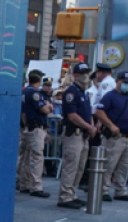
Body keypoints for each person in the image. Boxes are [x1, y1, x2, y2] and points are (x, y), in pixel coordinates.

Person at [93, 70, 128, 201]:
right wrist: (111, 125)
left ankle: (120, 190)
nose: (127, 85)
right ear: (118, 81)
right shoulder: (110, 96)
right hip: (114, 137)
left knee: (124, 166)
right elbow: (99, 112)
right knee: (109, 164)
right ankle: (103, 190)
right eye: (125, 82)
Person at [57, 62, 95, 209]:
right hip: (74, 133)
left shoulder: (83, 93)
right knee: (71, 166)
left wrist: (89, 126)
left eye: (87, 73)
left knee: (80, 167)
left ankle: (71, 193)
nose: (86, 76)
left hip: (83, 135)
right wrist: (89, 127)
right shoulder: (71, 92)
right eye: (83, 73)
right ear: (75, 75)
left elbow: (87, 113)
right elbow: (72, 116)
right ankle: (65, 196)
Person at [16, 69, 53, 198]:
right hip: (36, 127)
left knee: (25, 156)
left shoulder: (23, 92)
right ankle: (36, 186)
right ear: (39, 80)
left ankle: (24, 183)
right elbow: (44, 110)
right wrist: (49, 105)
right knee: (36, 157)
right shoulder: (35, 93)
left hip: (26, 127)